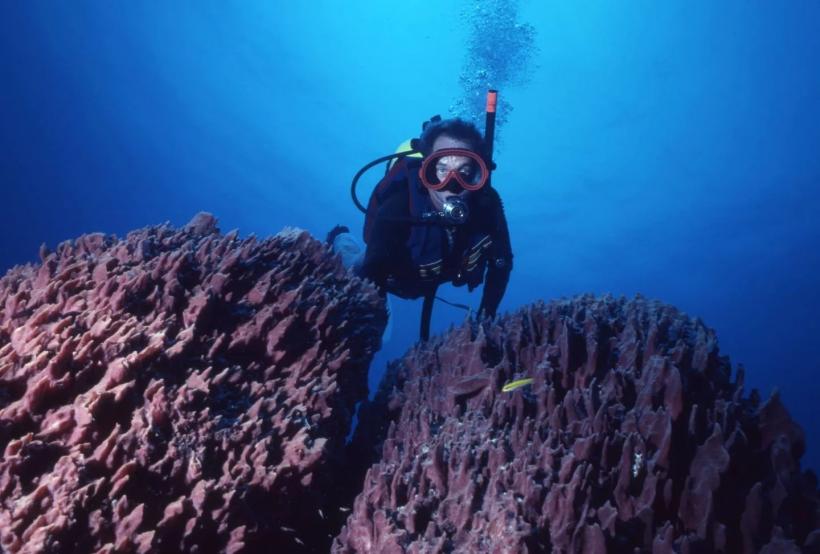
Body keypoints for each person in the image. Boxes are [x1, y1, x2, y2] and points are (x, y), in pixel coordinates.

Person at [329, 117, 513, 338]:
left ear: (479, 177)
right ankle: (340, 237)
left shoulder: (488, 207)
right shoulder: (400, 203)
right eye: (441, 170)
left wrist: (486, 321)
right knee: (351, 262)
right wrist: (368, 329)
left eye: (465, 173)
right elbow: (373, 271)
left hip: (433, 275)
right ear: (425, 172)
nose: (453, 185)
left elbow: (501, 264)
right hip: (389, 274)